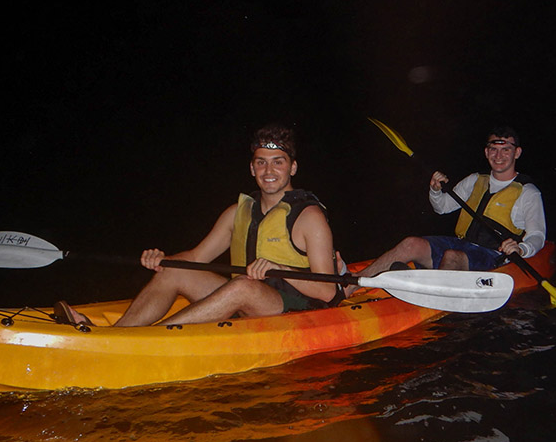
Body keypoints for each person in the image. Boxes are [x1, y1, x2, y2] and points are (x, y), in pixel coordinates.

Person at [55, 123, 343, 327]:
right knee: (175, 270)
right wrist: (163, 260)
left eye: (278, 162)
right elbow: (195, 259)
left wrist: (282, 270)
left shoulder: (308, 217)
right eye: (261, 163)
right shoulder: (236, 213)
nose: (269, 171)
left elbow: (328, 292)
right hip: (245, 300)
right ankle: (118, 335)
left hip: (294, 310)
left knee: (243, 286)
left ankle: (150, 339)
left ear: (292, 168)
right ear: (252, 168)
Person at [356, 125, 545, 278]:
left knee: (452, 256)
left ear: (517, 153)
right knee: (410, 243)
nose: (499, 156)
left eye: (506, 150)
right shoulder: (474, 180)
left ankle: (428, 292)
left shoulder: (528, 193)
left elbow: (537, 235)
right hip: (461, 245)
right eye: (493, 150)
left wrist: (521, 248)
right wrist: (435, 191)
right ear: (486, 152)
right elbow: (442, 208)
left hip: (493, 256)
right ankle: (352, 285)